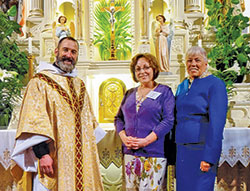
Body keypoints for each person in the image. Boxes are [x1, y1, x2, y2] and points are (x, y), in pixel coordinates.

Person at [11, 37, 105, 191]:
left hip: (80, 162)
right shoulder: (40, 82)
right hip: (52, 160)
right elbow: (33, 121)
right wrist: (43, 155)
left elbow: (89, 125)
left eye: (73, 52)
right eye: (65, 50)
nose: (69, 55)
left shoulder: (79, 85)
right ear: (56, 52)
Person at [115, 53, 175, 190]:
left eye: (146, 67)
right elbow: (118, 118)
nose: (142, 72)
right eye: (138, 69)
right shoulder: (129, 93)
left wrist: (146, 140)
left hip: (153, 153)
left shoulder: (165, 92)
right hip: (130, 154)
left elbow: (168, 120)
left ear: (154, 69)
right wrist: (123, 137)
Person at [175, 46, 228, 191]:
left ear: (206, 63)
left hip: (201, 149)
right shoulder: (182, 86)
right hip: (181, 149)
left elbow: (217, 124)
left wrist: (209, 157)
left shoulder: (215, 84)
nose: (193, 64)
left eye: (197, 60)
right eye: (189, 61)